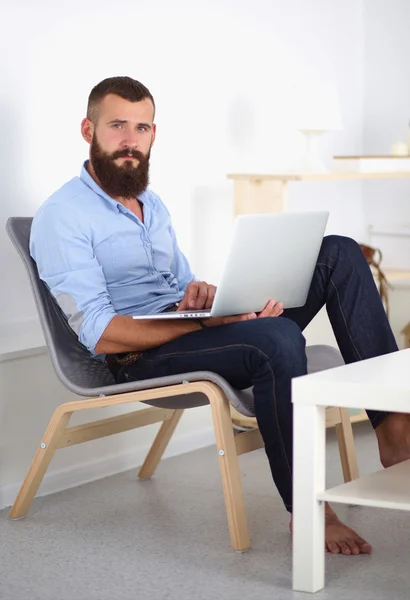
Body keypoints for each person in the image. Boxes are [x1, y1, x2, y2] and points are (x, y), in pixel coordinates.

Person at [30, 76, 410, 556]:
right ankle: (308, 509)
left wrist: (214, 300)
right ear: (89, 129)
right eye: (117, 126)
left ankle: (394, 430)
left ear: (153, 134)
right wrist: (210, 322)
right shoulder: (64, 215)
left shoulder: (151, 202)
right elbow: (102, 335)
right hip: (136, 356)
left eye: (142, 128)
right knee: (274, 340)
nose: (131, 140)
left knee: (338, 253)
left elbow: (180, 288)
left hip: (186, 329)